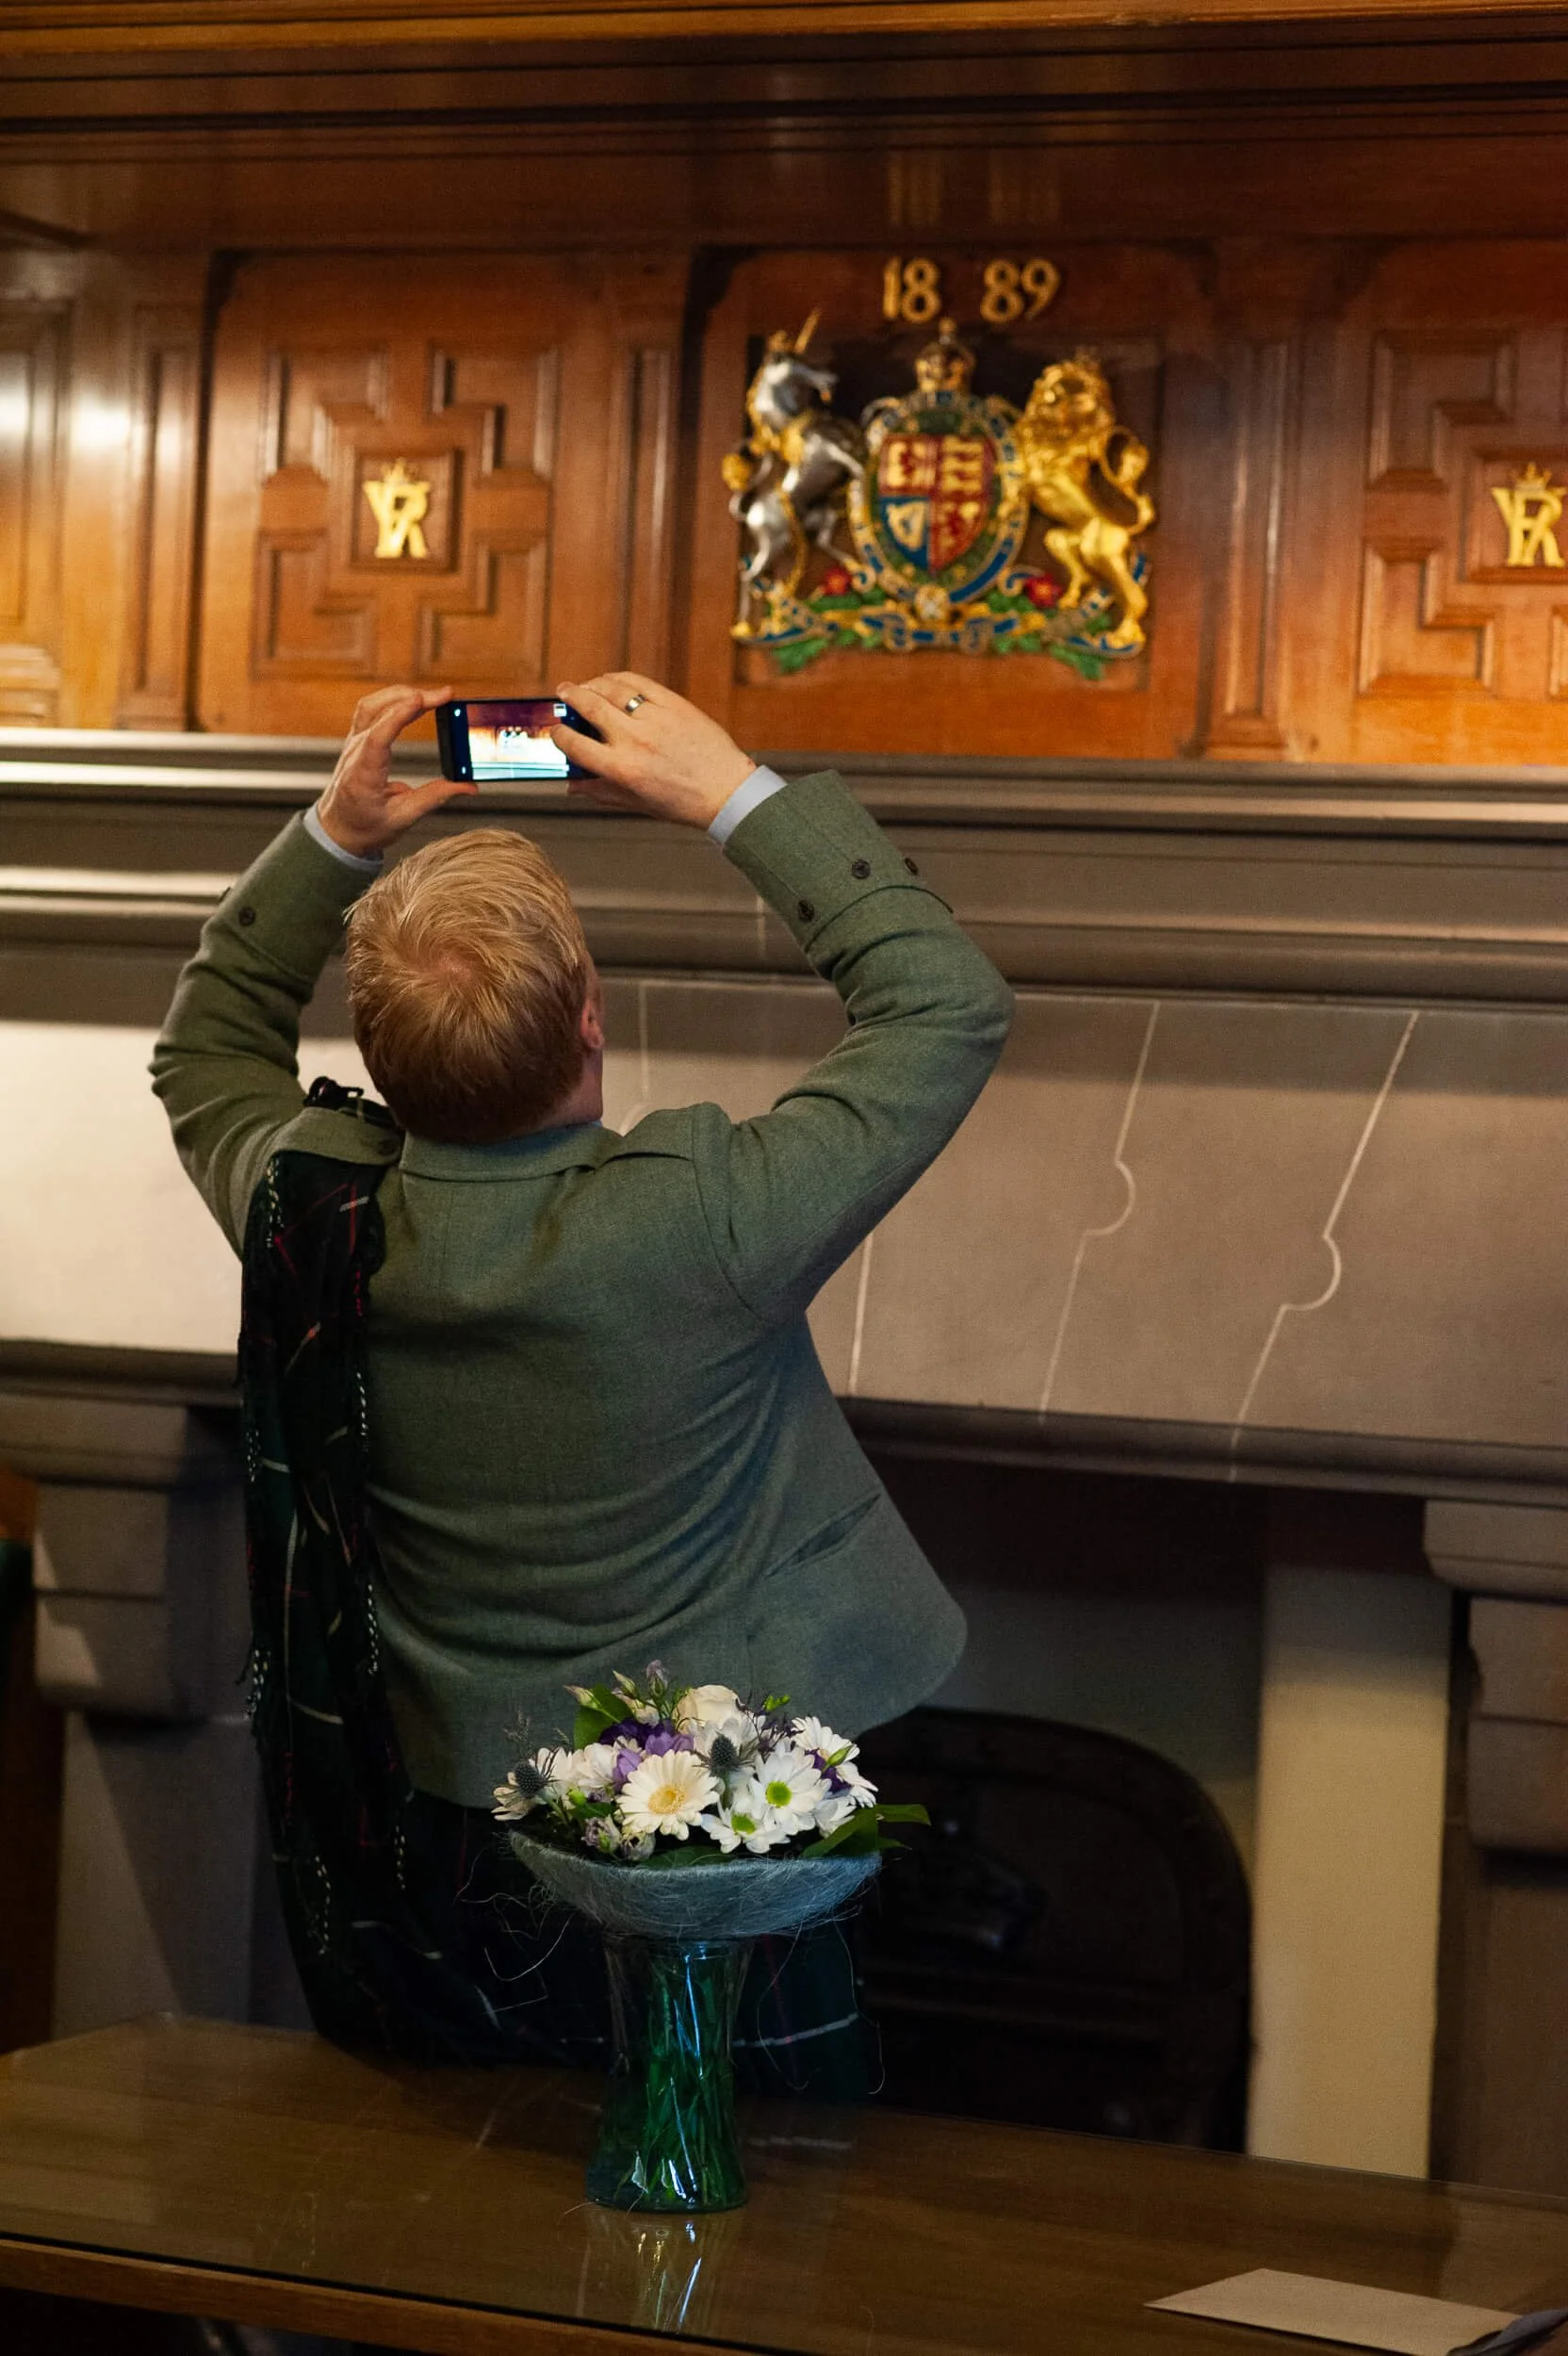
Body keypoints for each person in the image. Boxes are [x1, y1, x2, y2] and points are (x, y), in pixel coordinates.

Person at [152, 673, 1013, 2076]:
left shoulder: (308, 1216)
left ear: (379, 1054)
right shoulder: (706, 1218)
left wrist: (333, 833)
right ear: (591, 1020)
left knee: (503, 2174)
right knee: (744, 2176)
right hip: (728, 1839)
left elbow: (206, 1040)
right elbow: (945, 1006)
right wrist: (732, 792)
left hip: (443, 1826)